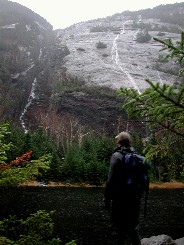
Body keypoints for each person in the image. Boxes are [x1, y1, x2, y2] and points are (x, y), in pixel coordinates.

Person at [104, 132, 150, 245]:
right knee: (133, 227)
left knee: (118, 229)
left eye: (117, 140)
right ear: (129, 142)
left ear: (118, 142)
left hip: (120, 199)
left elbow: (110, 180)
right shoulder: (137, 155)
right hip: (135, 198)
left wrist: (107, 199)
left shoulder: (116, 156)